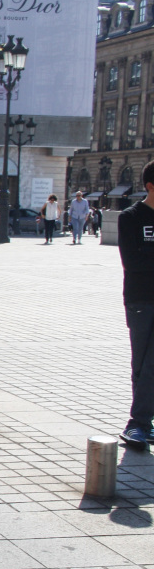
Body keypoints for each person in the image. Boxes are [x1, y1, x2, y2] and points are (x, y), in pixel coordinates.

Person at [117, 161, 154, 448]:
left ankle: (139, 422)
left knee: (150, 363)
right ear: (150, 186)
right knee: (141, 363)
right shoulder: (130, 217)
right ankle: (141, 422)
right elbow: (132, 262)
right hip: (140, 298)